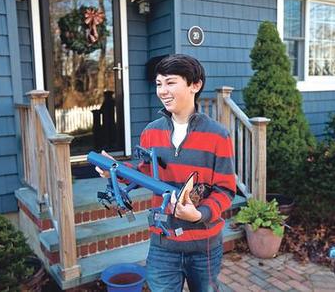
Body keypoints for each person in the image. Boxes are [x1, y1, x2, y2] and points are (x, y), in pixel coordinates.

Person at [96, 54, 236, 291]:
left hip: (204, 247)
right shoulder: (151, 132)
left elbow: (225, 190)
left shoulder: (218, 135)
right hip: (163, 245)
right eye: (158, 84)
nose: (162, 91)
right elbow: (144, 172)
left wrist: (200, 213)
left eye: (170, 82)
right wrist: (115, 171)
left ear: (195, 85)